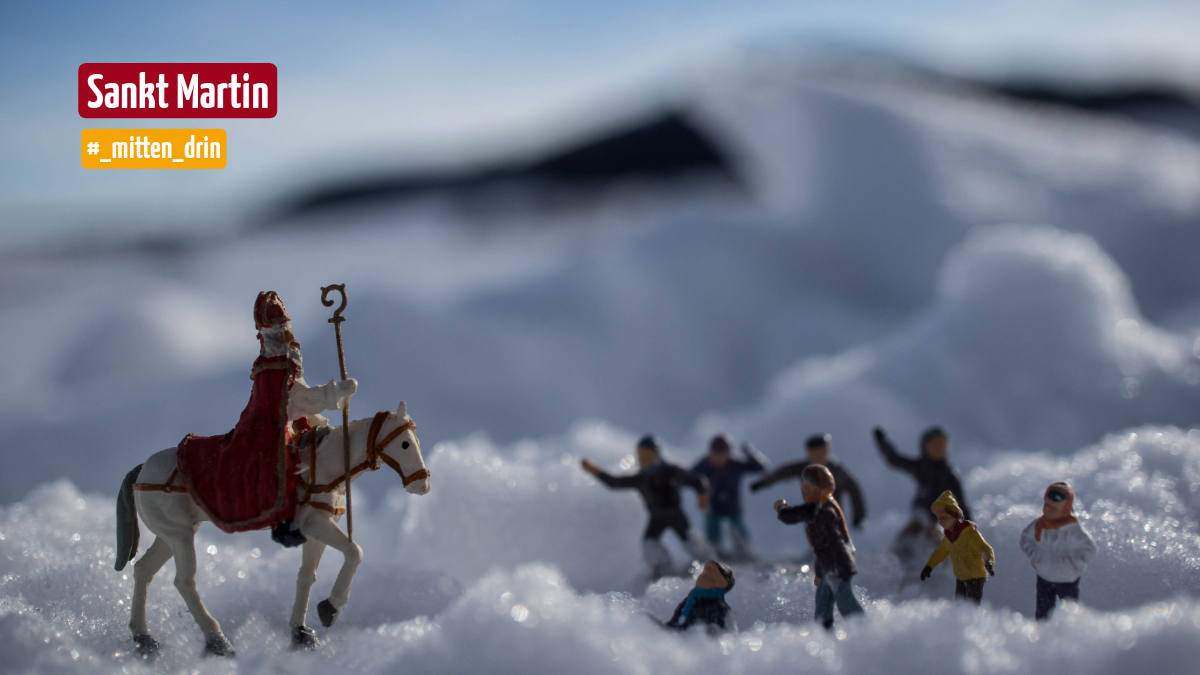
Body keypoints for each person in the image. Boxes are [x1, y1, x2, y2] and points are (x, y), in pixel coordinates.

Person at [177, 291, 358, 547]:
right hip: (268, 429)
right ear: (269, 334)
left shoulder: (287, 363)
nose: (289, 335)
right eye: (281, 329)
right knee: (283, 464)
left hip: (283, 423)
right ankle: (285, 520)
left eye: (287, 327)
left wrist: (318, 418)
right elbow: (302, 398)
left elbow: (301, 402)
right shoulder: (275, 367)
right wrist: (336, 392)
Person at [581, 435, 713, 577]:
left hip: (676, 515)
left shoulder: (670, 471)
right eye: (640, 454)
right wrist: (596, 471)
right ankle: (662, 568)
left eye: (647, 454)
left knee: (690, 539)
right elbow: (614, 483)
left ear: (656, 454)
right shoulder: (640, 478)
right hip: (656, 518)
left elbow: (696, 481)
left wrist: (702, 495)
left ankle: (708, 563)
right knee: (649, 543)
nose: (643, 458)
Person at [774, 465, 864, 629]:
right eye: (804, 486)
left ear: (822, 489)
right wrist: (820, 571)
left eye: (809, 486)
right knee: (823, 602)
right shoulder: (826, 506)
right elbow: (827, 544)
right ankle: (824, 632)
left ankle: (865, 629)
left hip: (838, 566)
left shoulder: (818, 508)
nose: (804, 490)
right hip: (829, 566)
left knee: (845, 601)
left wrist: (781, 507)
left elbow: (790, 516)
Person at [873, 426, 970, 560]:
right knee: (907, 536)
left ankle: (940, 566)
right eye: (934, 445)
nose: (939, 449)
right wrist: (882, 442)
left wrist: (969, 530)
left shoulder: (950, 475)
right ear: (925, 447)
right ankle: (896, 561)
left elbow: (963, 505)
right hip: (920, 512)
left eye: (942, 445)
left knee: (935, 540)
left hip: (937, 517)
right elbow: (894, 459)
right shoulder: (921, 467)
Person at [750, 434, 866, 529]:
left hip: (833, 515)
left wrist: (859, 518)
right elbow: (781, 472)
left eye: (820, 452)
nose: (817, 456)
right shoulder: (803, 468)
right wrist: (762, 483)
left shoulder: (839, 473)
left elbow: (855, 493)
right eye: (813, 453)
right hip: (811, 514)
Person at [1019, 482, 1097, 620]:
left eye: (1053, 507)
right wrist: (1036, 556)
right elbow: (1025, 539)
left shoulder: (1073, 529)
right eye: (1046, 505)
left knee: (1069, 617)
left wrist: (1074, 564)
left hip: (1068, 580)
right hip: (1044, 577)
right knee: (1043, 615)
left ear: (1065, 507)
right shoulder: (1039, 525)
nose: (1047, 509)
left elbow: (1090, 550)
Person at [690, 434, 768, 559]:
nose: (718, 458)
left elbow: (760, 467)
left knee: (737, 528)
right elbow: (690, 477)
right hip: (714, 504)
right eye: (715, 454)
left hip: (732, 505)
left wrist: (750, 453)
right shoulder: (705, 464)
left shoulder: (735, 465)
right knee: (712, 529)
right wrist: (701, 492)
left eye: (721, 454)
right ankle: (713, 552)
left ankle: (744, 550)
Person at [920, 491, 995, 604]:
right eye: (939, 519)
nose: (941, 522)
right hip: (961, 576)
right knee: (959, 604)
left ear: (955, 515)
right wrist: (929, 566)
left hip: (976, 576)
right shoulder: (948, 537)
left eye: (944, 518)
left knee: (972, 605)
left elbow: (986, 549)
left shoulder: (970, 534)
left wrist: (989, 561)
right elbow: (940, 553)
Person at [664, 560, 737, 634]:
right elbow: (676, 620)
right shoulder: (691, 599)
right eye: (704, 573)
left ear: (722, 585)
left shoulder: (720, 608)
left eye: (710, 577)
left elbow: (724, 634)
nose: (704, 577)